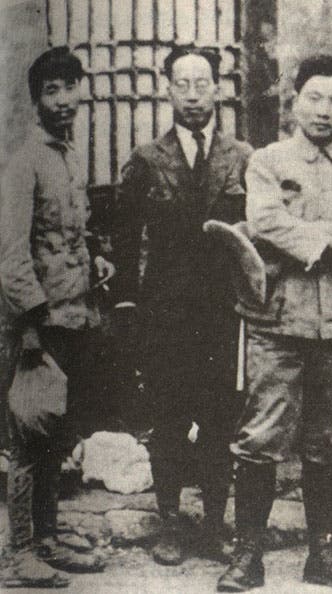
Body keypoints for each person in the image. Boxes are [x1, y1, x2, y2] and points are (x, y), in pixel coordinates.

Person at [216, 55, 332, 591]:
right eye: (315, 97)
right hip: (277, 321)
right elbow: (264, 222)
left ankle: (322, 554)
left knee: (330, 440)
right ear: (294, 101)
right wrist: (326, 239)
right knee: (260, 437)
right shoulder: (266, 161)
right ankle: (248, 556)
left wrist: (303, 236)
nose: (325, 111)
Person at [113, 47, 253, 566]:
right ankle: (170, 523)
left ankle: (214, 525)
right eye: (182, 84)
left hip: (223, 312)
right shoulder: (147, 159)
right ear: (168, 90)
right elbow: (125, 239)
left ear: (218, 88)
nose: (193, 95)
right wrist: (129, 305)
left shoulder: (243, 158)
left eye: (202, 83)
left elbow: (257, 238)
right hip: (166, 313)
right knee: (169, 418)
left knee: (220, 419)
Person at [0, 47, 109, 588]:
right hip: (38, 326)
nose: (64, 100)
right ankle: (19, 553)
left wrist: (96, 258)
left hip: (74, 317)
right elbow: (11, 256)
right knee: (28, 436)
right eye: (52, 91)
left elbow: (70, 233)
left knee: (56, 435)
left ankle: (45, 539)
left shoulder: (67, 154)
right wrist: (31, 325)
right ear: (36, 99)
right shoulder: (25, 161)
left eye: (70, 87)